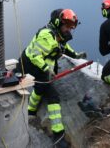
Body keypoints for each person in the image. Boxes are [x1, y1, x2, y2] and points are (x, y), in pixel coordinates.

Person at [17, 8, 86, 148]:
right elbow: (35, 56)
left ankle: (30, 110)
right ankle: (58, 135)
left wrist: (76, 55)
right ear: (57, 22)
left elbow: (63, 48)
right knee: (53, 96)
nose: (69, 29)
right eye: (67, 26)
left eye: (71, 27)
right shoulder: (46, 35)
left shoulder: (59, 35)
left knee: (41, 88)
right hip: (30, 65)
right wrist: (46, 69)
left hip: (41, 67)